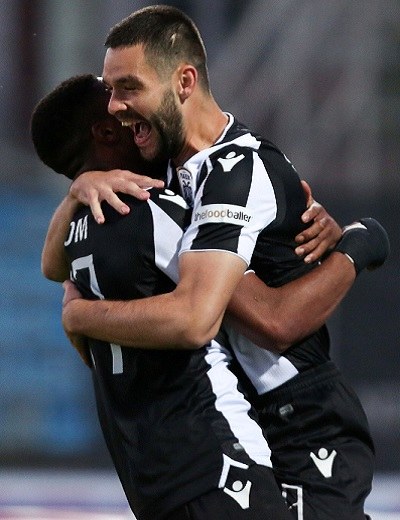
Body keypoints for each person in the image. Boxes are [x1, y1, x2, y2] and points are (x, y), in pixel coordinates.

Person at [37, 6, 389, 518]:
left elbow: (272, 322)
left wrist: (360, 242)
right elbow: (53, 267)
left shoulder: (237, 171)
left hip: (304, 422)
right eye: (110, 91)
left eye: (128, 88)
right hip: (248, 415)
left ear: (184, 82)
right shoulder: (162, 167)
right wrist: (78, 189)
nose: (115, 107)